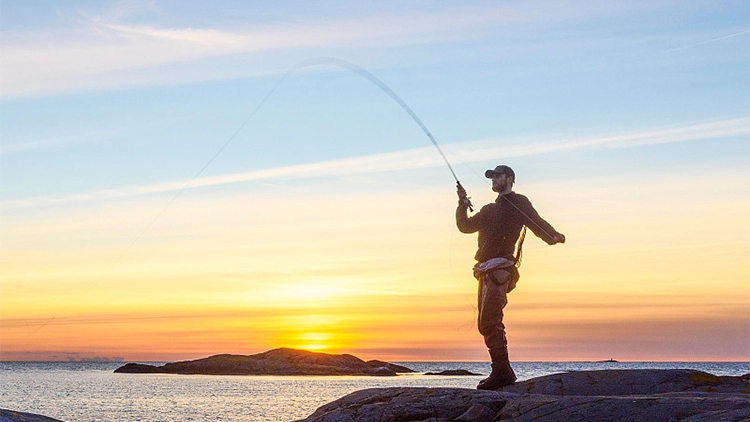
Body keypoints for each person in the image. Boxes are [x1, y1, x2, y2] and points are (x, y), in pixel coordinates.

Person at [456, 165, 565, 390]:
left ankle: (502, 373)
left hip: (500, 270)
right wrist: (462, 204)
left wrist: (552, 235)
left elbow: (535, 222)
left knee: (490, 321)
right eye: (493, 177)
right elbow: (465, 227)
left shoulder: (518, 202)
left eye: (498, 175)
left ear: (510, 179)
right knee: (485, 323)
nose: (494, 179)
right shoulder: (488, 210)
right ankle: (502, 371)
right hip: (484, 272)